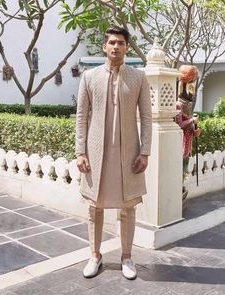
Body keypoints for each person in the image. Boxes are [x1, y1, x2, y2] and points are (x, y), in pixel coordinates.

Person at [75, 27, 152, 280]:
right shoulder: (89, 77)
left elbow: (147, 117)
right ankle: (95, 256)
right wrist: (80, 151)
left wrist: (145, 151)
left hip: (128, 154)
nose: (116, 47)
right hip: (96, 154)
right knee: (94, 207)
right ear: (104, 46)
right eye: (112, 42)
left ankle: (126, 257)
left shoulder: (138, 77)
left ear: (127, 47)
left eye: (120, 43)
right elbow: (81, 118)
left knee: (128, 207)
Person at [175, 65, 200, 210]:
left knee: (184, 171)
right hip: (181, 143)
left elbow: (191, 125)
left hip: (188, 142)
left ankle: (181, 193)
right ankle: (177, 195)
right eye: (189, 86)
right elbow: (180, 124)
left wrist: (196, 129)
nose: (192, 90)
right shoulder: (179, 104)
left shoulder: (189, 103)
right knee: (179, 171)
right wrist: (192, 121)